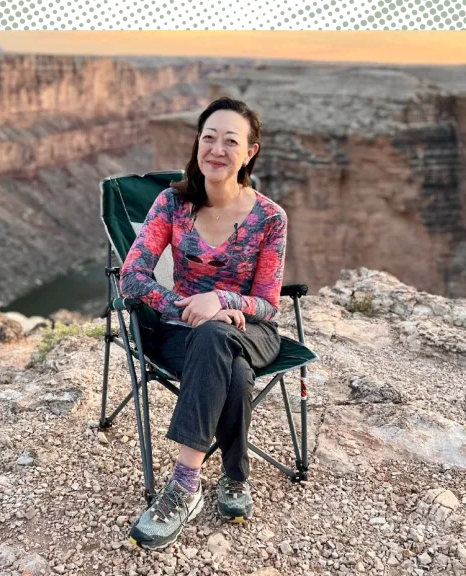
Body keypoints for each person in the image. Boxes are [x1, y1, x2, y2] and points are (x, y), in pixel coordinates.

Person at [119, 97, 287, 550]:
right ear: (197, 143)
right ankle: (233, 478)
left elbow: (269, 305)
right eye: (208, 137)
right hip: (182, 331)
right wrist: (186, 308)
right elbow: (132, 278)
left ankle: (184, 485)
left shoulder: (270, 218)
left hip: (252, 331)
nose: (216, 148)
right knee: (227, 363)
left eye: (230, 140)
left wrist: (222, 300)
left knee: (218, 335)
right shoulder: (172, 204)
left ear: (250, 152)